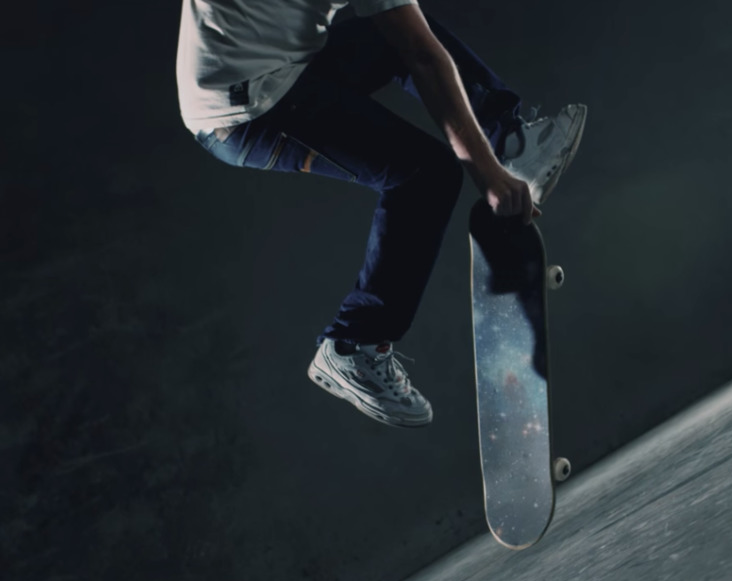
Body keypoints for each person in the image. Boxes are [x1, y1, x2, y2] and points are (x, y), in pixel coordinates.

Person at [178, 0, 586, 427]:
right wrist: (489, 177)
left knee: (395, 31)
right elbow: (422, 58)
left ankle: (513, 142)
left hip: (277, 68)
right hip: (247, 106)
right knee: (425, 174)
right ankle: (355, 343)